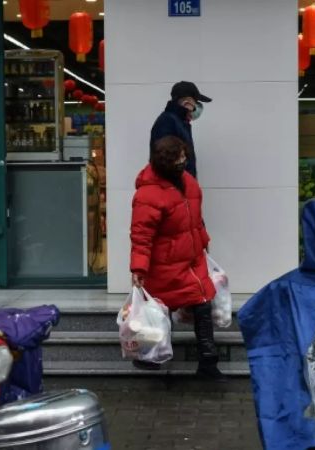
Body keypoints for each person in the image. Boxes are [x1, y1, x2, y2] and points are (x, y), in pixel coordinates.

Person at [129, 136, 226, 381]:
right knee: (160, 309)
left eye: (185, 155)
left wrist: (204, 242)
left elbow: (196, 220)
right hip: (165, 264)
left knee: (203, 303)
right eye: (180, 157)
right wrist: (139, 268)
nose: (185, 160)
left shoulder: (189, 184)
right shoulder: (148, 194)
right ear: (167, 162)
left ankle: (208, 362)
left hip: (192, 261)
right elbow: (141, 235)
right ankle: (151, 356)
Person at [150, 81, 212, 179]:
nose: (197, 107)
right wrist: (180, 189)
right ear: (186, 103)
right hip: (173, 189)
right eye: (196, 103)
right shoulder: (167, 121)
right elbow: (166, 162)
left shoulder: (180, 123)